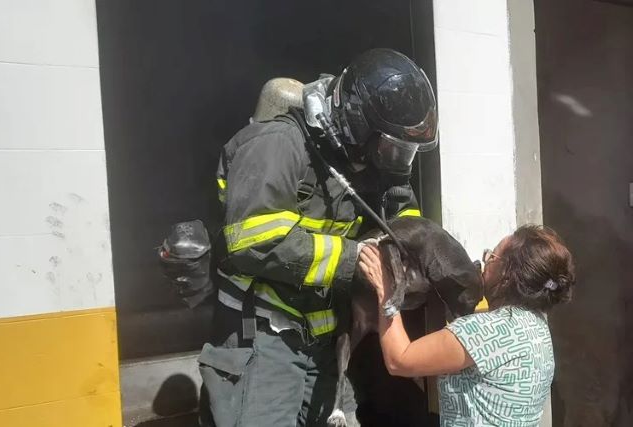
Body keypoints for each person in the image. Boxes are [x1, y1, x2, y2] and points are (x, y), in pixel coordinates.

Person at [197, 48, 439, 427]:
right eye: (393, 146)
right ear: (358, 123)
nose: (397, 160)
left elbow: (404, 224)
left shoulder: (368, 164)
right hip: (265, 337)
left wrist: (408, 261)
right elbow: (253, 240)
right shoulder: (276, 144)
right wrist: (356, 258)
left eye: (404, 151)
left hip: (327, 342)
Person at [358, 225, 575, 426]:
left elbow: (399, 359)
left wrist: (386, 288)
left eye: (492, 256)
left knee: (381, 407)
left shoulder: (488, 330)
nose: (484, 261)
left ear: (507, 277)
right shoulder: (536, 328)